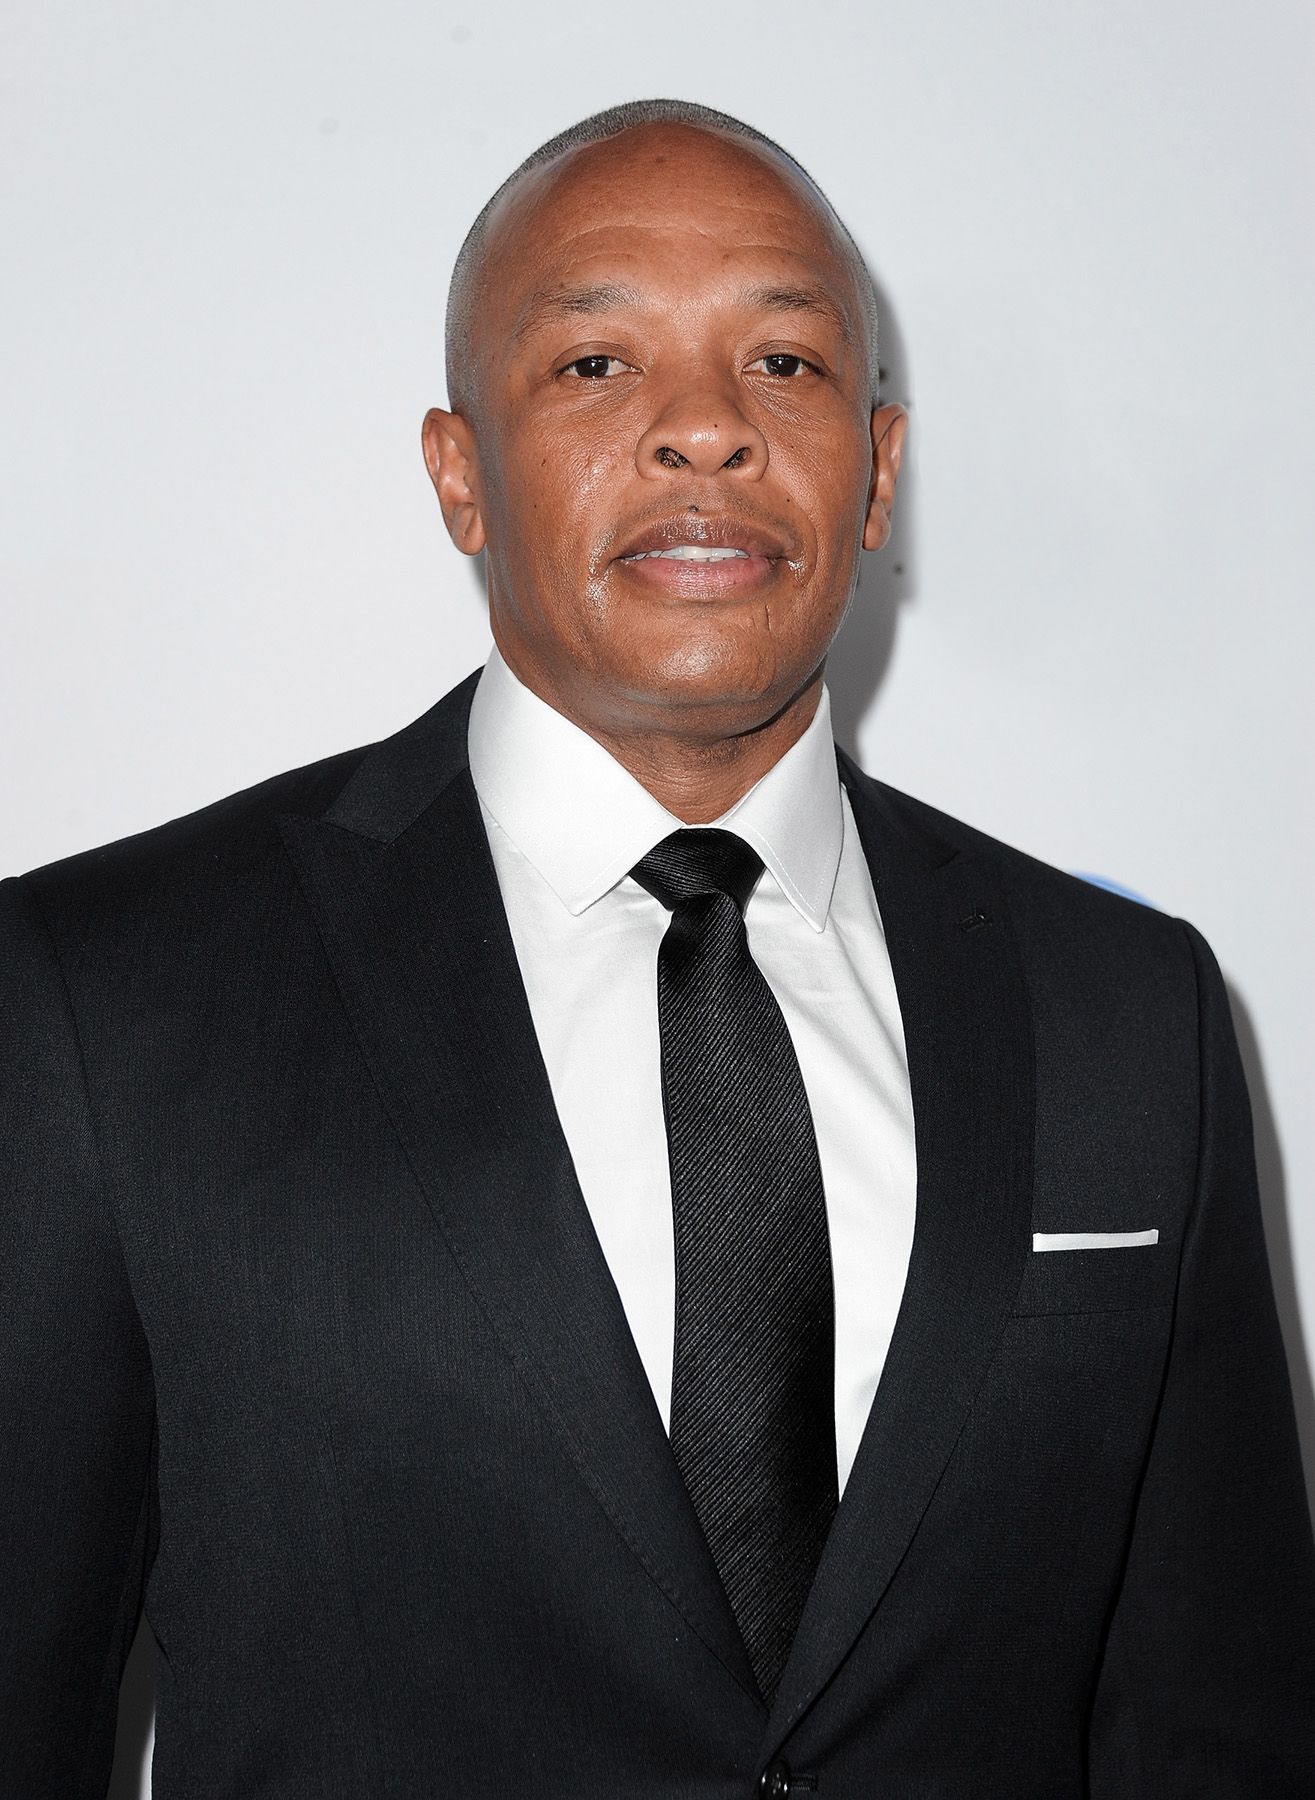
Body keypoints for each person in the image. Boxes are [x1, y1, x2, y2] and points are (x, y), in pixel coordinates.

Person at [2, 97, 1312, 1800]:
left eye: (785, 362)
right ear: (459, 472)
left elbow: (1221, 1734)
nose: (707, 429)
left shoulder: (1132, 1016)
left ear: (879, 470)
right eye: (596, 364)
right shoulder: (99, 1000)